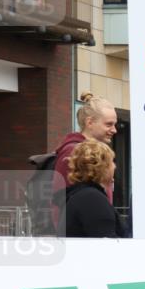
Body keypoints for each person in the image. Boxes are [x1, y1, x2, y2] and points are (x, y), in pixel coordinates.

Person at [53, 92, 117, 223]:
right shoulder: (73, 152)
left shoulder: (82, 151)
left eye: (114, 124)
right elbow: (63, 201)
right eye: (109, 124)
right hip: (83, 236)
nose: (114, 130)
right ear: (90, 122)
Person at [61, 140, 129, 238]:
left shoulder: (79, 195)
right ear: (101, 166)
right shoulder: (92, 198)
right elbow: (107, 243)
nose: (115, 166)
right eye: (111, 162)